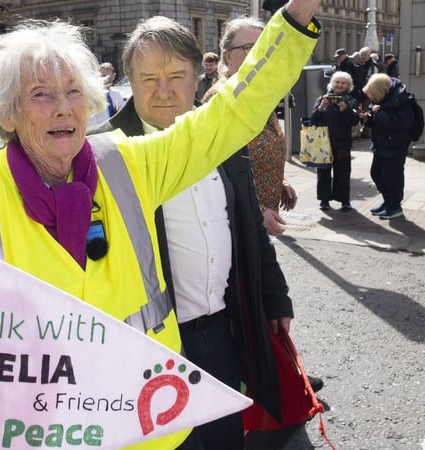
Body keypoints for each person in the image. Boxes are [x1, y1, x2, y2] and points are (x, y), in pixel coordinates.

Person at [0, 3, 321, 449]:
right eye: (40, 94)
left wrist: (297, 15)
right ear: (9, 114)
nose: (63, 107)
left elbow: (232, 113)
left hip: (156, 429)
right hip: (51, 432)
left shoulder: (130, 163)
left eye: (73, 91)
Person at [93, 15, 301, 449]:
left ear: (197, 76)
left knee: (225, 437)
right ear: (129, 80)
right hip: (154, 346)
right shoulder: (100, 155)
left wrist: (274, 297)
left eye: (175, 76)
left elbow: (249, 227)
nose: (163, 90)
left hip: (225, 329)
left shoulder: (222, 138)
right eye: (148, 78)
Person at [212, 16, 298, 236]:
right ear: (227, 56)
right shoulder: (223, 99)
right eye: (249, 48)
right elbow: (217, 171)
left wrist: (280, 181)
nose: (260, 55)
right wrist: (257, 209)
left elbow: (259, 149)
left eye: (264, 48)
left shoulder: (256, 94)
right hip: (237, 222)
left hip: (259, 220)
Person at [359, 73, 414, 220]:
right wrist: (368, 117)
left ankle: (395, 206)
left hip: (395, 146)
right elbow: (378, 117)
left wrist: (379, 112)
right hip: (381, 144)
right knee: (376, 174)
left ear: (382, 92)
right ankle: (387, 202)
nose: (372, 99)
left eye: (373, 95)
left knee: (392, 178)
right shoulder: (383, 100)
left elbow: (403, 122)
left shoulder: (402, 100)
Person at [310, 71, 360, 212]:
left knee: (343, 172)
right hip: (323, 142)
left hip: (342, 142)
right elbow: (313, 120)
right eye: (337, 82)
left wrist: (345, 109)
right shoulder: (322, 98)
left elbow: (355, 121)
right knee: (323, 172)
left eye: (343, 83)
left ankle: (344, 201)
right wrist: (321, 108)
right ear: (332, 83)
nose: (339, 85)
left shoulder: (351, 100)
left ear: (348, 86)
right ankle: (324, 200)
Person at [88, 62, 124, 127]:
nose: (107, 79)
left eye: (110, 76)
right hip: (95, 132)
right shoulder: (91, 94)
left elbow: (122, 113)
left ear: (114, 76)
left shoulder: (117, 94)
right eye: (103, 76)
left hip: (113, 131)